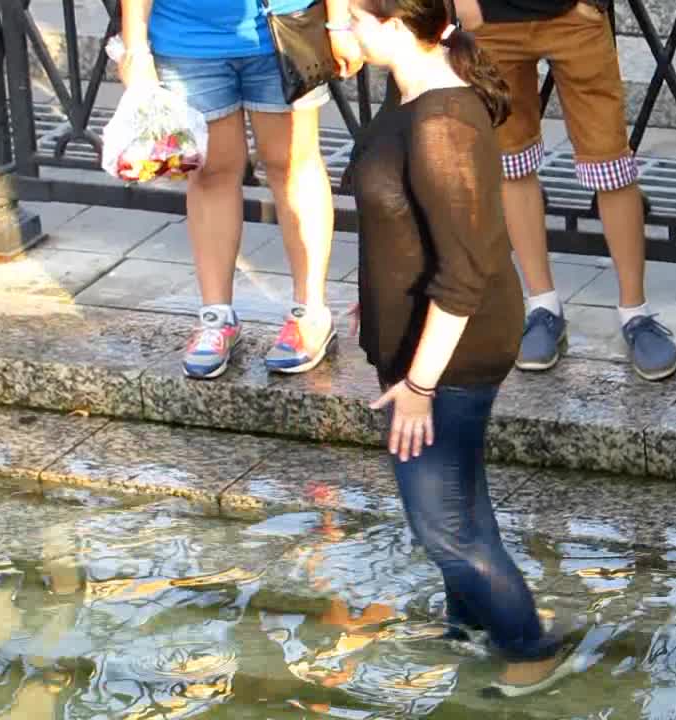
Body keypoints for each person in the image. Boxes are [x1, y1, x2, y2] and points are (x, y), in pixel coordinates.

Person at [339, 0, 584, 697]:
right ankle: (471, 623)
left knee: (442, 526)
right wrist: (376, 292)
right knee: (462, 504)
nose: (341, 29)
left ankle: (530, 648)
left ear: (394, 25)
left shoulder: (441, 123)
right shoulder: (417, 86)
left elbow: (464, 273)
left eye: (353, 18)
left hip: (450, 354)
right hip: (427, 340)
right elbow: (411, 222)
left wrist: (419, 387)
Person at [118, 0, 359, 379]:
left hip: (286, 23)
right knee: (211, 172)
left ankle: (310, 311)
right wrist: (135, 45)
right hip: (186, 34)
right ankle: (216, 316)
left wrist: (340, 24)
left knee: (292, 164)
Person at [451, 0, 676, 381]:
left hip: (573, 15)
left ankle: (636, 312)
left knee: (611, 164)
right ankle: (542, 305)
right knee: (511, 162)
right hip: (491, 21)